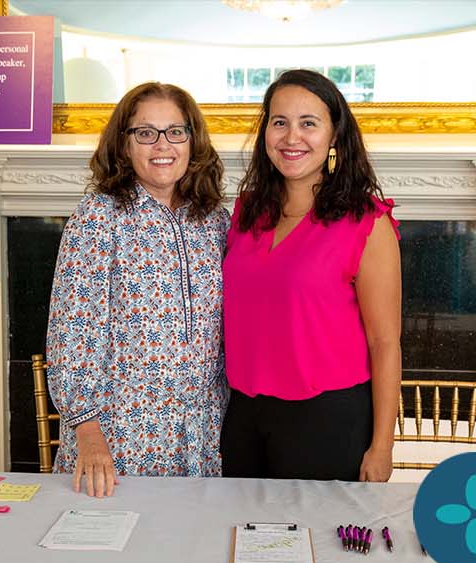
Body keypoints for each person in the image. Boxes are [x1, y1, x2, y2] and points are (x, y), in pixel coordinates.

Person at [45, 82, 229, 497]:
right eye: (145, 133)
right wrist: (88, 432)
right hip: (119, 433)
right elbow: (71, 331)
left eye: (175, 131)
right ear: (125, 145)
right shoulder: (99, 216)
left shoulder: (214, 220)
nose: (162, 144)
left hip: (200, 434)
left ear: (192, 140)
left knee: (190, 548)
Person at [223, 69, 401, 483]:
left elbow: (385, 342)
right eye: (279, 122)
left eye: (308, 123)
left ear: (335, 134)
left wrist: (382, 446)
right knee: (241, 540)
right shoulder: (245, 213)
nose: (291, 137)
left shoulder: (366, 222)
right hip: (242, 416)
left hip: (328, 420)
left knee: (317, 544)